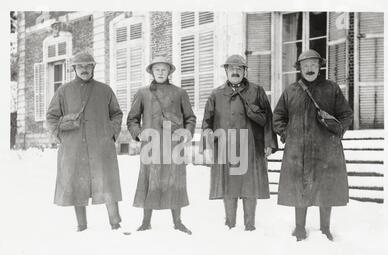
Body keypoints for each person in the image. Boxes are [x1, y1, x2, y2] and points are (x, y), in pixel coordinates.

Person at [272, 49, 353, 241]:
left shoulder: (331, 89)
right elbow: (278, 117)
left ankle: (325, 228)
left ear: (319, 66)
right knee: (300, 188)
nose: (310, 69)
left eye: (313, 65)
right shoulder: (290, 91)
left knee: (327, 188)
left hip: (326, 149)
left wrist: (337, 134)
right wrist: (287, 134)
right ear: (299, 68)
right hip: (298, 150)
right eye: (305, 65)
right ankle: (299, 228)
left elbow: (346, 115)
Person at [46, 52, 123, 232]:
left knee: (107, 182)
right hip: (74, 146)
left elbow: (116, 114)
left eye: (88, 66)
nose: (84, 70)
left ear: (93, 68)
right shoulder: (63, 91)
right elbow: (51, 117)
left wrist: (111, 133)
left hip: (101, 145)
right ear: (74, 69)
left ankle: (115, 223)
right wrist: (60, 136)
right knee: (76, 183)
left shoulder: (105, 90)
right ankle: (82, 226)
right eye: (80, 66)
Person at [200, 54, 278, 231]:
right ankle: (230, 224)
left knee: (250, 186)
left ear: (244, 71)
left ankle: (250, 225)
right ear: (226, 71)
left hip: (251, 146)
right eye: (231, 69)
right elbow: (207, 121)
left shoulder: (257, 91)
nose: (235, 72)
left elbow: (269, 119)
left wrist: (269, 143)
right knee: (229, 186)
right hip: (226, 146)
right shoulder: (216, 94)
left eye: (239, 69)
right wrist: (209, 137)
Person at [127, 56, 196, 234]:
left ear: (169, 72)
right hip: (151, 144)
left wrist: (188, 131)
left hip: (174, 144)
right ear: (151, 72)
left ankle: (178, 222)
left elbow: (190, 117)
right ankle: (146, 221)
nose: (160, 72)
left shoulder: (180, 93)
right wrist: (138, 132)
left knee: (175, 180)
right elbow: (132, 119)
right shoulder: (143, 93)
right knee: (149, 179)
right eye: (157, 69)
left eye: (163, 69)